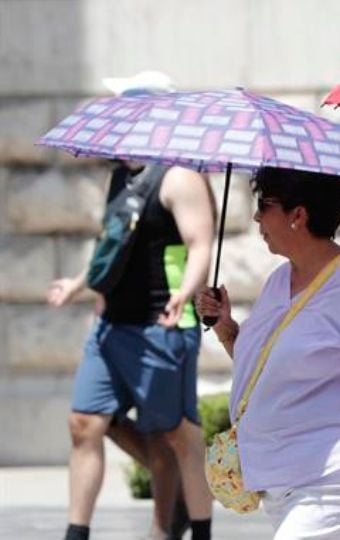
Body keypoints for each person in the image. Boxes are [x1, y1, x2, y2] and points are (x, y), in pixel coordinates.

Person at [195, 166, 340, 539]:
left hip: (335, 475)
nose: (256, 216)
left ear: (298, 215)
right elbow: (265, 366)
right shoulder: (279, 280)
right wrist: (225, 325)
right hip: (282, 473)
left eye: (264, 204)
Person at [47, 70, 216, 540]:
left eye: (122, 106)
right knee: (85, 422)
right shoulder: (122, 173)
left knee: (177, 434)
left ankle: (193, 526)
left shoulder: (180, 175)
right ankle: (76, 534)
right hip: (111, 326)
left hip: (160, 326)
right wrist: (80, 284)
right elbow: (114, 245)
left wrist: (188, 291)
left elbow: (200, 243)